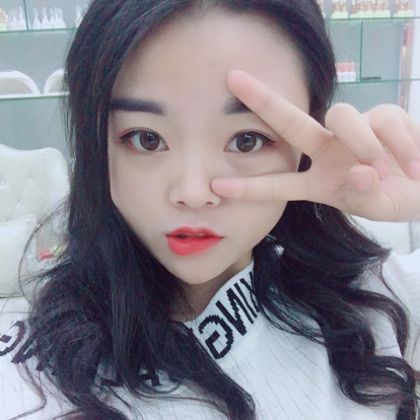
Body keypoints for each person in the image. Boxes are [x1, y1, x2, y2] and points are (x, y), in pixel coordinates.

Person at [0, 0, 419, 419]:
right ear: (96, 146)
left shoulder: (374, 298)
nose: (194, 193)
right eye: (146, 139)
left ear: (306, 141)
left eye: (247, 140)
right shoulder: (29, 372)